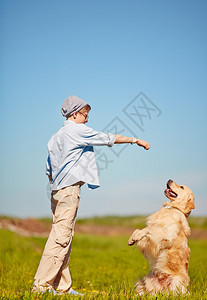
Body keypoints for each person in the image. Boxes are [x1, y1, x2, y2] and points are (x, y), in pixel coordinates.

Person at [32, 95, 150, 295]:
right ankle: (41, 286)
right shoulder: (77, 130)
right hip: (69, 190)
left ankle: (61, 287)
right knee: (60, 238)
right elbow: (108, 138)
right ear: (76, 114)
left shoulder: (56, 136)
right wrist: (134, 140)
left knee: (65, 236)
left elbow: (48, 168)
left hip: (57, 191)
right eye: (85, 115)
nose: (87, 119)